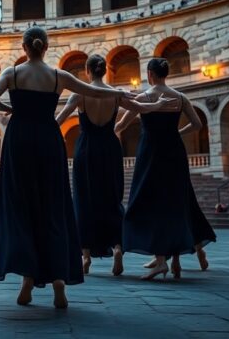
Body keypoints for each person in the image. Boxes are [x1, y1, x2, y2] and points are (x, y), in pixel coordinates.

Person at [0, 27, 135, 309]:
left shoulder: (12, 73)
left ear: (24, 47)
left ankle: (27, 279)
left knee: (22, 207)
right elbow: (93, 90)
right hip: (48, 139)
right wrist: (122, 93)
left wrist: (10, 109)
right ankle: (58, 283)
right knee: (54, 207)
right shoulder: (59, 76)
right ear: (46, 47)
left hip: (19, 139)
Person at [56, 54, 174, 277]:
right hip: (110, 147)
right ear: (105, 71)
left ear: (87, 71)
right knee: (111, 197)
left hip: (86, 149)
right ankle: (117, 246)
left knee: (83, 199)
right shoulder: (115, 94)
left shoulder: (79, 94)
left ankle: (85, 256)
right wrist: (157, 104)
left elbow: (59, 120)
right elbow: (140, 107)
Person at [115, 58, 216, 280]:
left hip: (151, 152)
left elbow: (121, 124)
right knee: (176, 200)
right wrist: (178, 133)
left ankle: (161, 259)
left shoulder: (145, 97)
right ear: (166, 73)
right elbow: (197, 124)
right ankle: (176, 255)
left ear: (150, 74)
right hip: (174, 152)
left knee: (150, 201)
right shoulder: (180, 97)